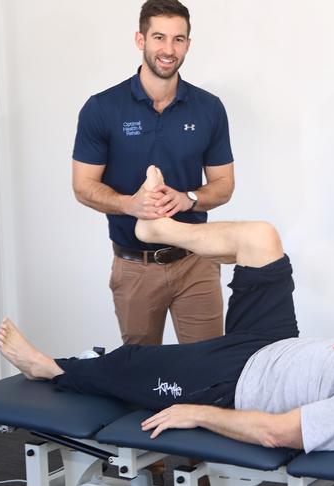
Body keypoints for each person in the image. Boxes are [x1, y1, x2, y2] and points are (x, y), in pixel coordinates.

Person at [0, 167, 334, 452]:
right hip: (275, 343)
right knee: (261, 239)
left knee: (130, 363)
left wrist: (200, 413)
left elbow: (278, 433)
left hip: (233, 381)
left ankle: (50, 367)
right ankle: (155, 228)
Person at [71, 0, 234, 346]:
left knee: (207, 371)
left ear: (188, 44)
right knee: (141, 378)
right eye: (159, 37)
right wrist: (130, 204)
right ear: (140, 39)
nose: (168, 49)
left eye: (178, 39)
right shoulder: (102, 108)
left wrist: (188, 198)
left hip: (196, 261)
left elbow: (224, 185)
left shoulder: (210, 108)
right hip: (134, 266)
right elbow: (83, 186)